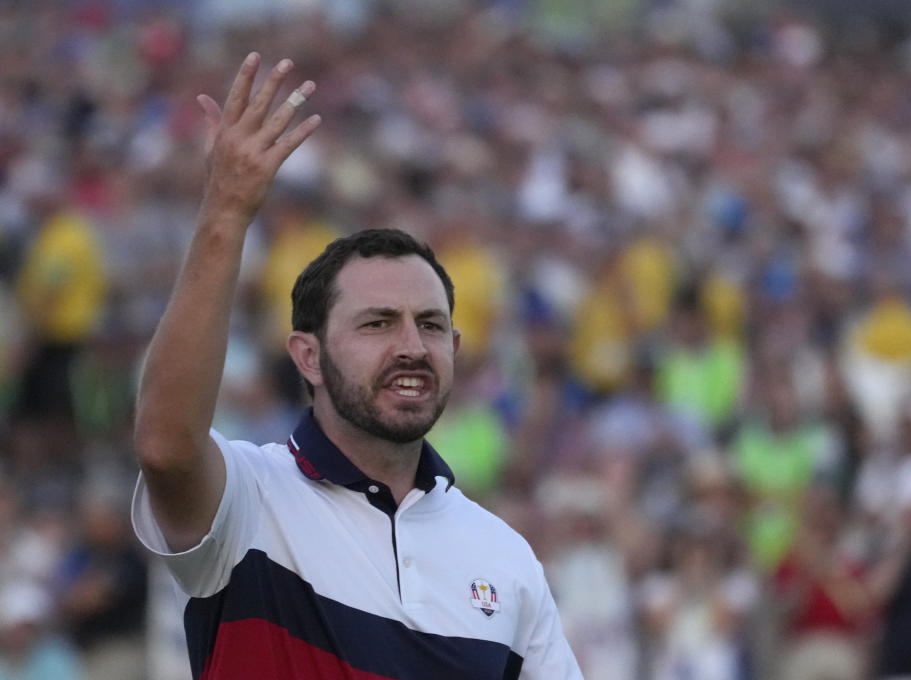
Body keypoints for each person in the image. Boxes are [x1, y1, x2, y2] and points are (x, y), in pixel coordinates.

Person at [130, 53, 583, 680]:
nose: (411, 347)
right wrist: (226, 215)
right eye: (376, 323)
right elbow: (165, 445)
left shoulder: (507, 561)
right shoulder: (248, 501)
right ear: (307, 357)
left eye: (430, 326)